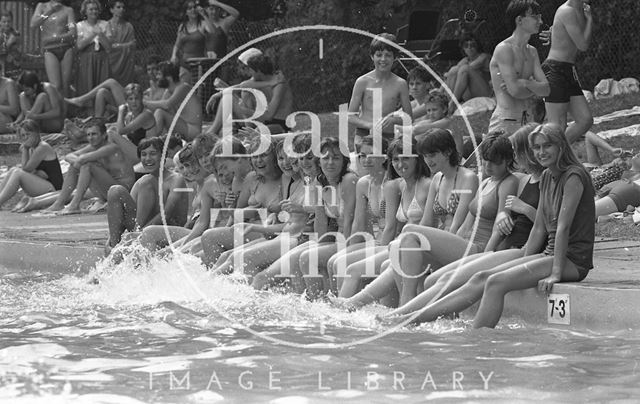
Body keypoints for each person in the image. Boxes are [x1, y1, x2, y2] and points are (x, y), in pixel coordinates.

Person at [380, 124, 545, 322]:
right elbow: (468, 220)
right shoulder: (485, 181)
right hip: (466, 243)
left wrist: (483, 257)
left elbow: (499, 229)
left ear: (508, 160)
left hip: (479, 249)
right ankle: (415, 314)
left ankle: (403, 310)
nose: (488, 167)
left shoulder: (507, 182)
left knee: (409, 231)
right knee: (402, 250)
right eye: (485, 162)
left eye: (494, 162)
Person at [105, 137, 189, 253]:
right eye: (144, 154)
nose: (148, 159)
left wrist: (139, 234)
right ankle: (114, 248)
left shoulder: (176, 179)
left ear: (164, 155)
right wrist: (110, 239)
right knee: (115, 191)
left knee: (147, 182)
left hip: (169, 232)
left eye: (153, 154)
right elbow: (124, 214)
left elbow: (167, 213)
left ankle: (136, 237)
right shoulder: (142, 182)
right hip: (141, 230)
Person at [44, 119, 135, 214]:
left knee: (88, 165)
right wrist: (77, 163)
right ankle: (59, 203)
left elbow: (82, 160)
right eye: (88, 135)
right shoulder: (93, 147)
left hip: (121, 192)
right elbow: (68, 156)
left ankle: (74, 205)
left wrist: (79, 162)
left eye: (94, 134)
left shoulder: (111, 148)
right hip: (106, 191)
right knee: (76, 166)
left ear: (103, 135)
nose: (91, 138)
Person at [488, 0, 550, 137]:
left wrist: (526, 83)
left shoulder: (532, 51)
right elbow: (515, 91)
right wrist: (534, 87)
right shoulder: (504, 49)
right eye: (535, 17)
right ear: (519, 20)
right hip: (505, 121)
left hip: (527, 120)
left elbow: (546, 89)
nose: (540, 21)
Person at [542, 0, 593, 144]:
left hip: (568, 69)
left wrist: (553, 30)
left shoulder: (581, 10)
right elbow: (582, 45)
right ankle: (544, 161)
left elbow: (564, 31)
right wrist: (590, 20)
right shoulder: (567, 11)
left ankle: (558, 155)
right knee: (558, 126)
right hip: (555, 69)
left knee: (585, 120)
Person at [206, 53, 294, 136]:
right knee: (228, 98)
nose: (248, 73)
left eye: (250, 70)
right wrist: (217, 95)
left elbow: (269, 116)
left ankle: (247, 136)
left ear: (258, 71)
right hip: (260, 121)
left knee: (245, 94)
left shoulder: (279, 84)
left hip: (278, 124)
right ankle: (211, 134)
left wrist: (244, 110)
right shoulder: (261, 79)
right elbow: (241, 86)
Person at [348, 33, 412, 145]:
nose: (383, 59)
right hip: (364, 133)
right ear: (372, 56)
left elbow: (409, 118)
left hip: (388, 136)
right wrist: (370, 125)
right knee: (366, 156)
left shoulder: (400, 84)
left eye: (388, 55)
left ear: (395, 57)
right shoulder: (362, 82)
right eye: (379, 55)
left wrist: (394, 120)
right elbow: (350, 116)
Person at [0, 119, 63, 209]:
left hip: (53, 189)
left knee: (17, 172)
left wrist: (25, 149)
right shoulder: (32, 147)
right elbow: (29, 171)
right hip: (43, 184)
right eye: (23, 135)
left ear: (36, 133)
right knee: (13, 170)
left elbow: (26, 169)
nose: (25, 137)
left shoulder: (42, 147)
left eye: (28, 134)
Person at [145, 61, 203, 141]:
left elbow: (167, 105)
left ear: (169, 78)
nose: (156, 77)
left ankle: (149, 142)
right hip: (182, 126)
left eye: (159, 74)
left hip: (193, 131)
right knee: (155, 113)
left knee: (160, 112)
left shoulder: (183, 87)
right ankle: (148, 140)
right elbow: (159, 107)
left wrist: (144, 102)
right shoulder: (168, 91)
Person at [30, 0, 76, 96]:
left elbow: (73, 33)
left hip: (66, 48)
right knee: (56, 86)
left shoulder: (68, 10)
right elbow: (33, 24)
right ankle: (57, 109)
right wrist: (49, 11)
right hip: (50, 50)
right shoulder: (42, 6)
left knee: (65, 85)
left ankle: (65, 110)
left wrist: (51, 39)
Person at [444, 34, 493, 112]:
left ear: (477, 46)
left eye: (472, 45)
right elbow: (452, 73)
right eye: (466, 45)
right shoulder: (465, 60)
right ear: (463, 48)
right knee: (454, 70)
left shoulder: (484, 57)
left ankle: (452, 104)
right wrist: (440, 91)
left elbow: (471, 67)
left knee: (464, 69)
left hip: (485, 92)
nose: (469, 48)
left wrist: (448, 73)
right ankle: (448, 101)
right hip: (470, 94)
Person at [171, 0, 214, 84]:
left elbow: (212, 31)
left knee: (198, 90)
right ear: (186, 12)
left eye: (194, 7)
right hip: (184, 64)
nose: (193, 10)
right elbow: (177, 44)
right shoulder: (182, 27)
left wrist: (204, 15)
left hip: (198, 65)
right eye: (189, 8)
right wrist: (173, 55)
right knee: (185, 89)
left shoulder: (202, 24)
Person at [75, 0, 111, 99]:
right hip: (86, 59)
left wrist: (100, 34)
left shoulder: (105, 24)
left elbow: (108, 47)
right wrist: (93, 34)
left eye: (95, 9)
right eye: (91, 9)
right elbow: (79, 46)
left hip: (102, 58)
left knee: (102, 85)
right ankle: (87, 110)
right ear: (85, 11)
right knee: (86, 84)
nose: (94, 11)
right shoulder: (80, 25)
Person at [105, 0, 136, 86]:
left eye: (123, 7)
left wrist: (117, 46)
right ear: (111, 10)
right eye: (118, 7)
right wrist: (125, 45)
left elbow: (133, 45)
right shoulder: (106, 25)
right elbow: (108, 47)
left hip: (125, 66)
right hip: (110, 64)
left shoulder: (129, 26)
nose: (121, 9)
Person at [0, 9, 21, 78]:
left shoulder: (16, 34)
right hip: (1, 67)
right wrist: (9, 43)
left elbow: (18, 52)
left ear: (12, 22)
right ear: (0, 22)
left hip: (14, 68)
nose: (7, 24)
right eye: (4, 21)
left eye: (9, 21)